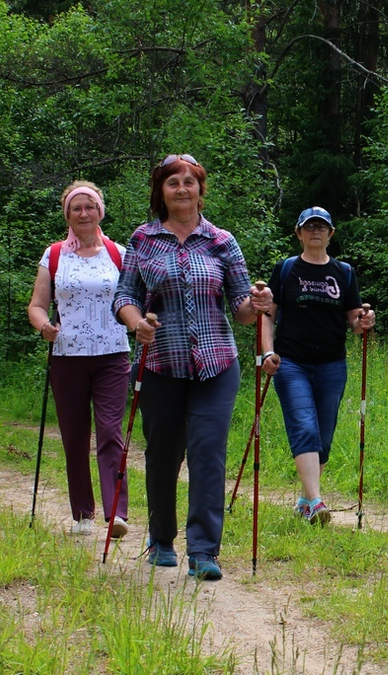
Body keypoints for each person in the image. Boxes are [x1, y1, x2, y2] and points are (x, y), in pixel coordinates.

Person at [112, 154, 273, 581]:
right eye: (172, 183)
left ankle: (204, 550)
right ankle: (161, 539)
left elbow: (240, 307)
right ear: (160, 192)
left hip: (216, 365)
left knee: (207, 453)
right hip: (160, 363)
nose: (182, 189)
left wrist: (256, 305)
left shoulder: (221, 240)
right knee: (163, 454)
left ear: (201, 190)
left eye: (189, 182)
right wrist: (137, 324)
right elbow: (124, 297)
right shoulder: (143, 239)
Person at [26, 180, 131, 539]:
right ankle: (83, 514)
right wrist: (44, 328)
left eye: (90, 206)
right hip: (67, 355)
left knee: (110, 431)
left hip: (113, 355)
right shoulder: (54, 254)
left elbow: (134, 299)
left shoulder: (119, 253)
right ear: (67, 215)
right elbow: (37, 305)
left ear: (100, 210)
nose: (83, 213)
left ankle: (116, 512)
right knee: (74, 435)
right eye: (76, 208)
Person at [259, 207, 375, 525]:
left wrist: (364, 321)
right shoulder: (285, 270)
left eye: (321, 227)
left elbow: (354, 320)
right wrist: (267, 353)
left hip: (331, 363)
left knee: (323, 436)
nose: (315, 231)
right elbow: (268, 316)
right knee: (304, 426)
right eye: (308, 226)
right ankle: (316, 502)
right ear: (298, 233)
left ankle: (305, 500)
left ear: (330, 233)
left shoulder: (344, 272)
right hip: (290, 361)